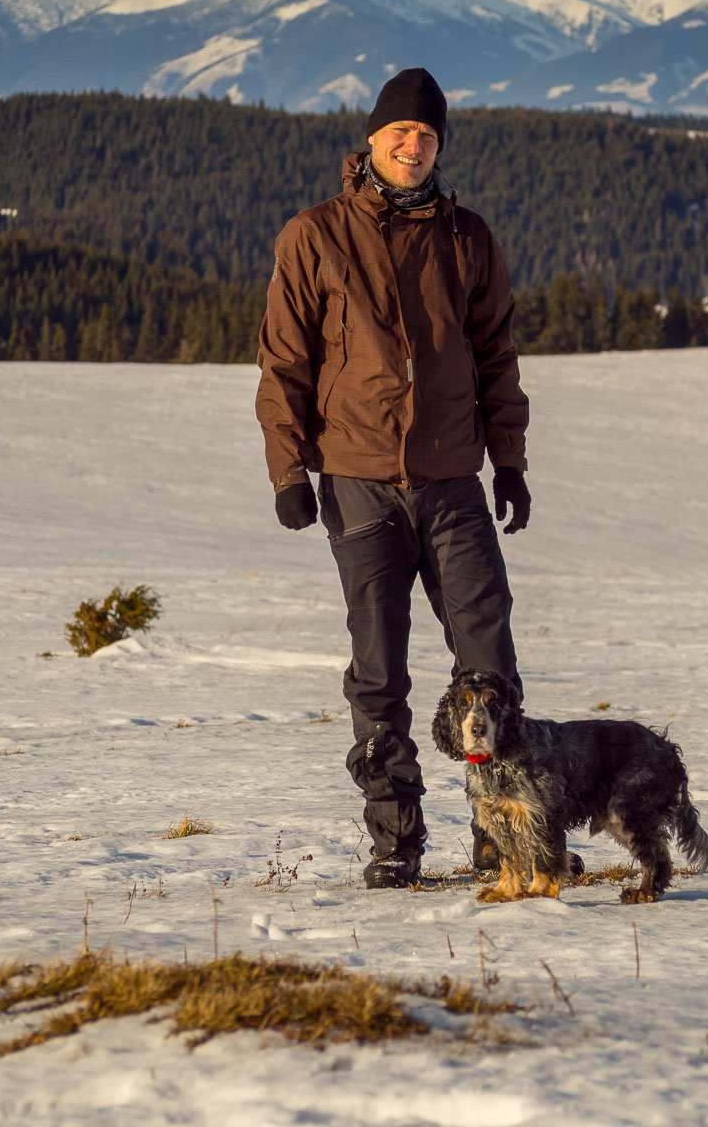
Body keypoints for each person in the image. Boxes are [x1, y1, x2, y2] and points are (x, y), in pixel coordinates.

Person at [255, 67, 530, 889]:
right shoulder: (314, 236)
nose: (414, 146)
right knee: (379, 671)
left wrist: (508, 462)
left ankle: (500, 828)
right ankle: (394, 838)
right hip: (359, 483)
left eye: (428, 135)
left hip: (452, 483)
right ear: (370, 139)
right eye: (400, 133)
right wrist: (288, 470)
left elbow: (496, 358)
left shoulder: (467, 237)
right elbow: (283, 365)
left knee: (488, 660)